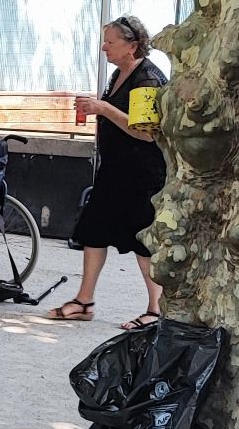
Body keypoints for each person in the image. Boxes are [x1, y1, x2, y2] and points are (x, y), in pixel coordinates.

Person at [46, 17, 168, 329]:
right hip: (115, 170)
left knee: (142, 238)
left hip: (142, 174)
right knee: (94, 230)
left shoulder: (147, 79)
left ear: (132, 45)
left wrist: (103, 108)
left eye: (111, 42)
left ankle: (155, 310)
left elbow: (146, 132)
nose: (104, 47)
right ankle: (84, 301)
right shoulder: (117, 74)